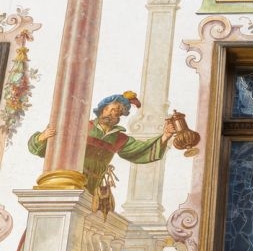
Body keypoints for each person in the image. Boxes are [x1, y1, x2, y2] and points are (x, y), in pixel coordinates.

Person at [28, 91, 177, 217]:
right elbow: (48, 147)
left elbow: (140, 149)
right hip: (72, 180)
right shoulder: (82, 126)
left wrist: (165, 136)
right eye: (110, 110)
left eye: (118, 113)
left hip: (95, 187)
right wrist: (42, 137)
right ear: (102, 109)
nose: (112, 114)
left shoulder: (118, 137)